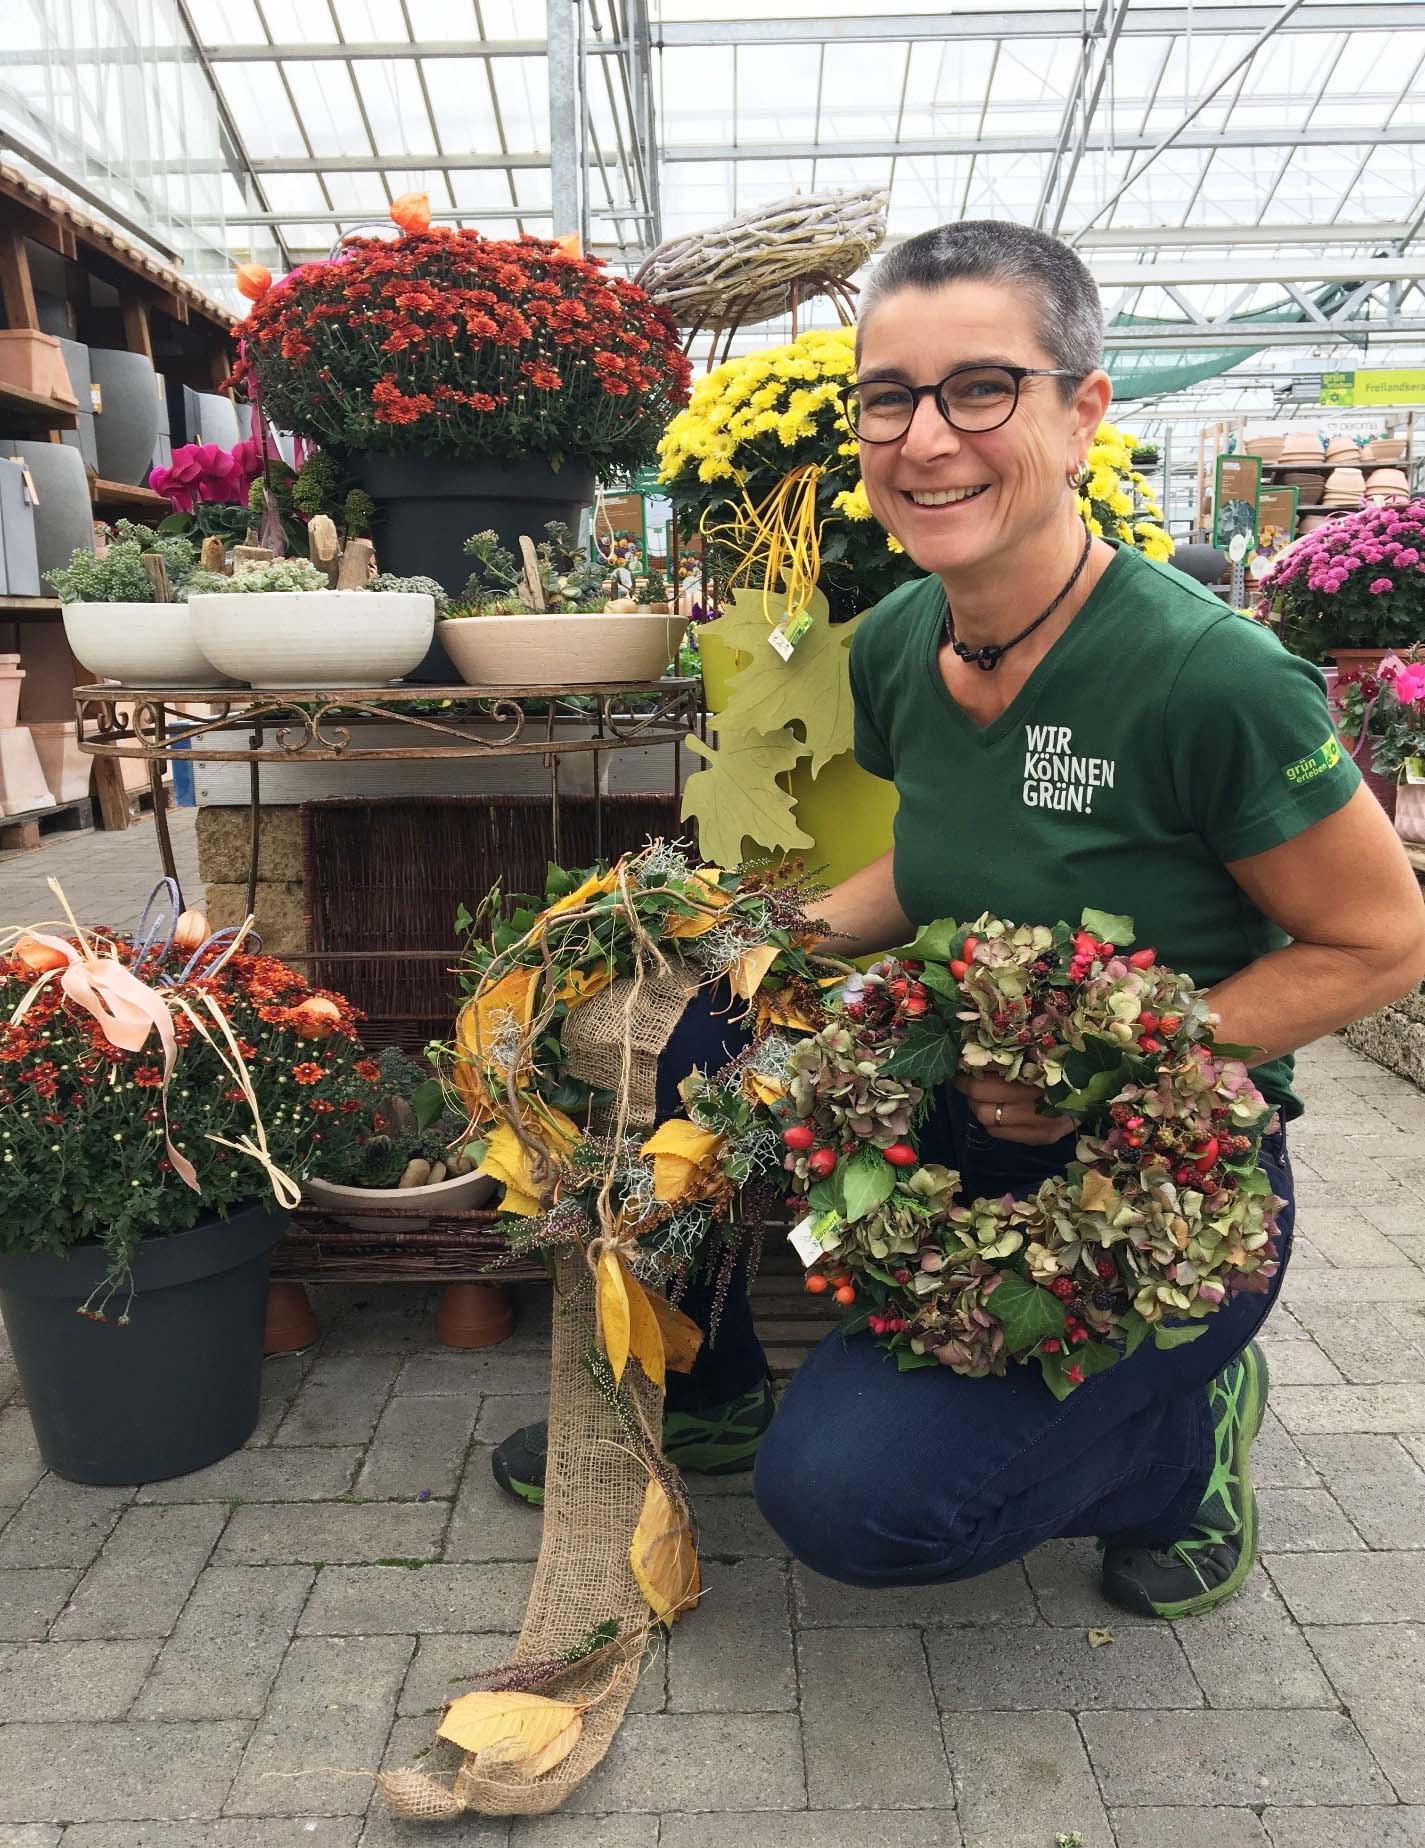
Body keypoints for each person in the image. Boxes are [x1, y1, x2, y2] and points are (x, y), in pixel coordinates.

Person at [493, 221, 1425, 1620]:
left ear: (1080, 409)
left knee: (862, 1507)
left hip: (1162, 1173)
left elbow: (1380, 944)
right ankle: (715, 1384)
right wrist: (755, 939)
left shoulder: (1210, 679)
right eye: (890, 397)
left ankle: (1184, 1439)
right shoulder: (896, 647)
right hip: (951, 1106)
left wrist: (1100, 1059)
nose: (925, 438)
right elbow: (937, 865)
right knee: (695, 1031)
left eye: (979, 388)